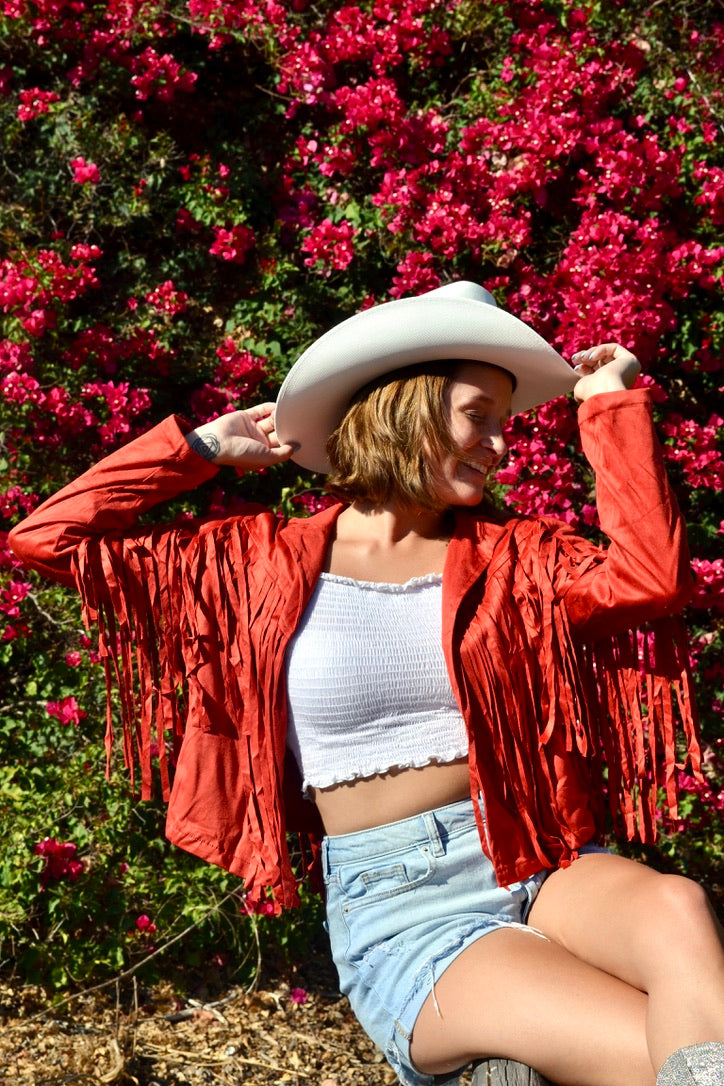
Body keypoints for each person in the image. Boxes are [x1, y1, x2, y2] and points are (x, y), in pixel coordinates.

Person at [9, 280, 724, 1086]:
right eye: (477, 416)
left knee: (678, 907)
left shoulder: (515, 558)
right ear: (407, 410)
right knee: (642, 1051)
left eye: (503, 422)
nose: (499, 445)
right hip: (404, 903)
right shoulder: (253, 562)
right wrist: (200, 449)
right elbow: (45, 541)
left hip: (538, 856)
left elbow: (649, 578)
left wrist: (608, 405)